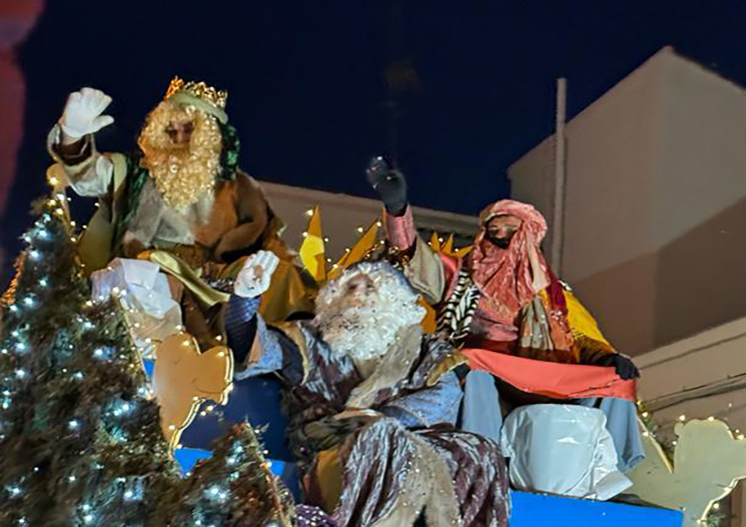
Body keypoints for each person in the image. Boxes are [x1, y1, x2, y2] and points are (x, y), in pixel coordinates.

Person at [366, 156, 645, 472]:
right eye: (493, 230)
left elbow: (582, 337)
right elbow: (414, 258)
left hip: (551, 376)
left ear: (526, 237)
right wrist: (397, 209)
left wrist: (608, 358)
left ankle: (610, 471)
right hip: (493, 375)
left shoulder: (553, 293)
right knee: (470, 360)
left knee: (618, 380)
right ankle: (480, 461)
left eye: (510, 230)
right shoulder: (461, 278)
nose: (500, 238)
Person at [225, 255, 510, 527]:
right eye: (350, 286)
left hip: (416, 440)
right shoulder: (308, 340)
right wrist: (245, 300)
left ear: (394, 300)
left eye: (370, 286)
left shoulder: (427, 350)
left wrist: (382, 417)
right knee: (377, 438)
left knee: (481, 449)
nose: (357, 293)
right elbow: (253, 349)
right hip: (336, 445)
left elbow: (444, 395)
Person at [47, 79, 315, 348]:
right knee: (152, 280)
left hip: (216, 280)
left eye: (188, 130)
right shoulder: (134, 173)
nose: (177, 138)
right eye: (169, 129)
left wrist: (314, 288)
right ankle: (174, 361)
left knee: (282, 275)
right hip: (151, 272)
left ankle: (288, 358)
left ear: (206, 137)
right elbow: (89, 177)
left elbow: (270, 241)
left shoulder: (238, 188)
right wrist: (72, 136)